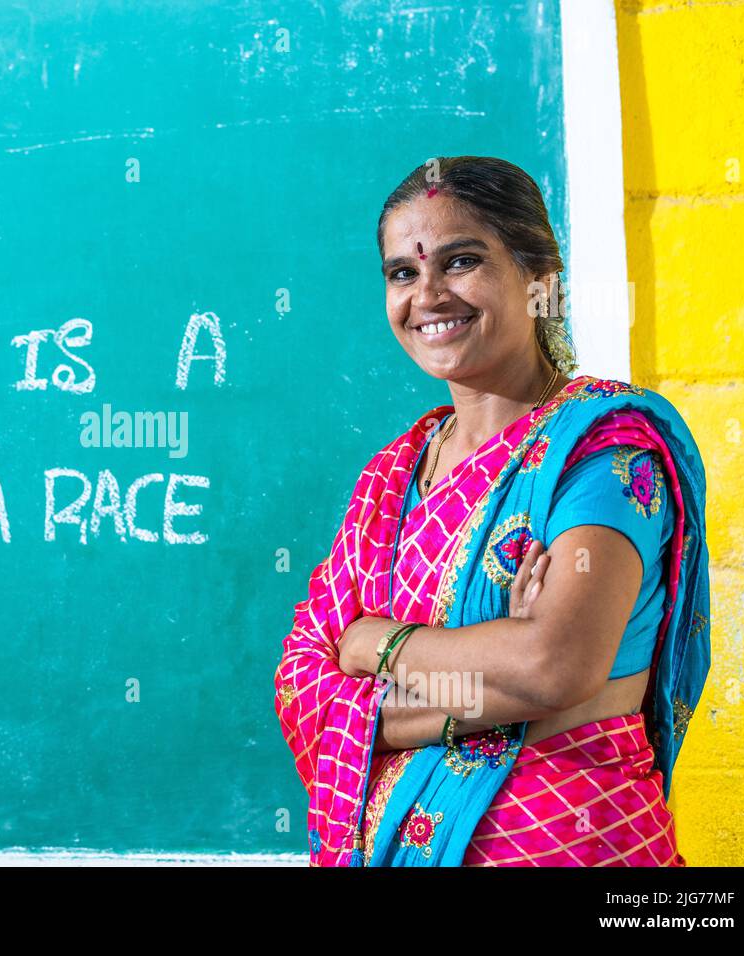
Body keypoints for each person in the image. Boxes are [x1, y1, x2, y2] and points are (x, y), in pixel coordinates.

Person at [273, 156, 710, 866]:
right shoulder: (391, 479)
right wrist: (496, 682)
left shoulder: (602, 453)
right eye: (402, 273)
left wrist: (378, 647)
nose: (429, 295)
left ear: (541, 280)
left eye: (463, 260)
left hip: (576, 845)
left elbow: (554, 664)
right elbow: (303, 691)